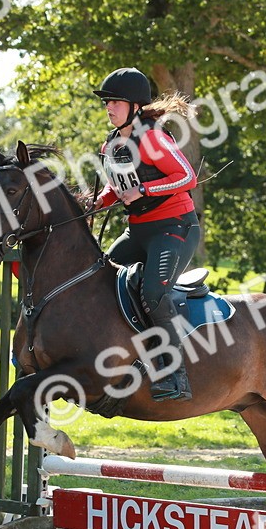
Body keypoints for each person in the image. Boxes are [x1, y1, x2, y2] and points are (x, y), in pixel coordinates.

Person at [93, 67, 200, 402]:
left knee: (152, 292)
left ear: (135, 106)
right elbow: (117, 187)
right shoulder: (111, 143)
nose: (109, 107)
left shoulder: (152, 137)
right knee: (99, 278)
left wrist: (144, 188)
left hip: (175, 228)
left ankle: (175, 376)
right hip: (138, 232)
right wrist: (95, 204)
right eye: (107, 102)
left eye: (115, 102)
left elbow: (187, 177)